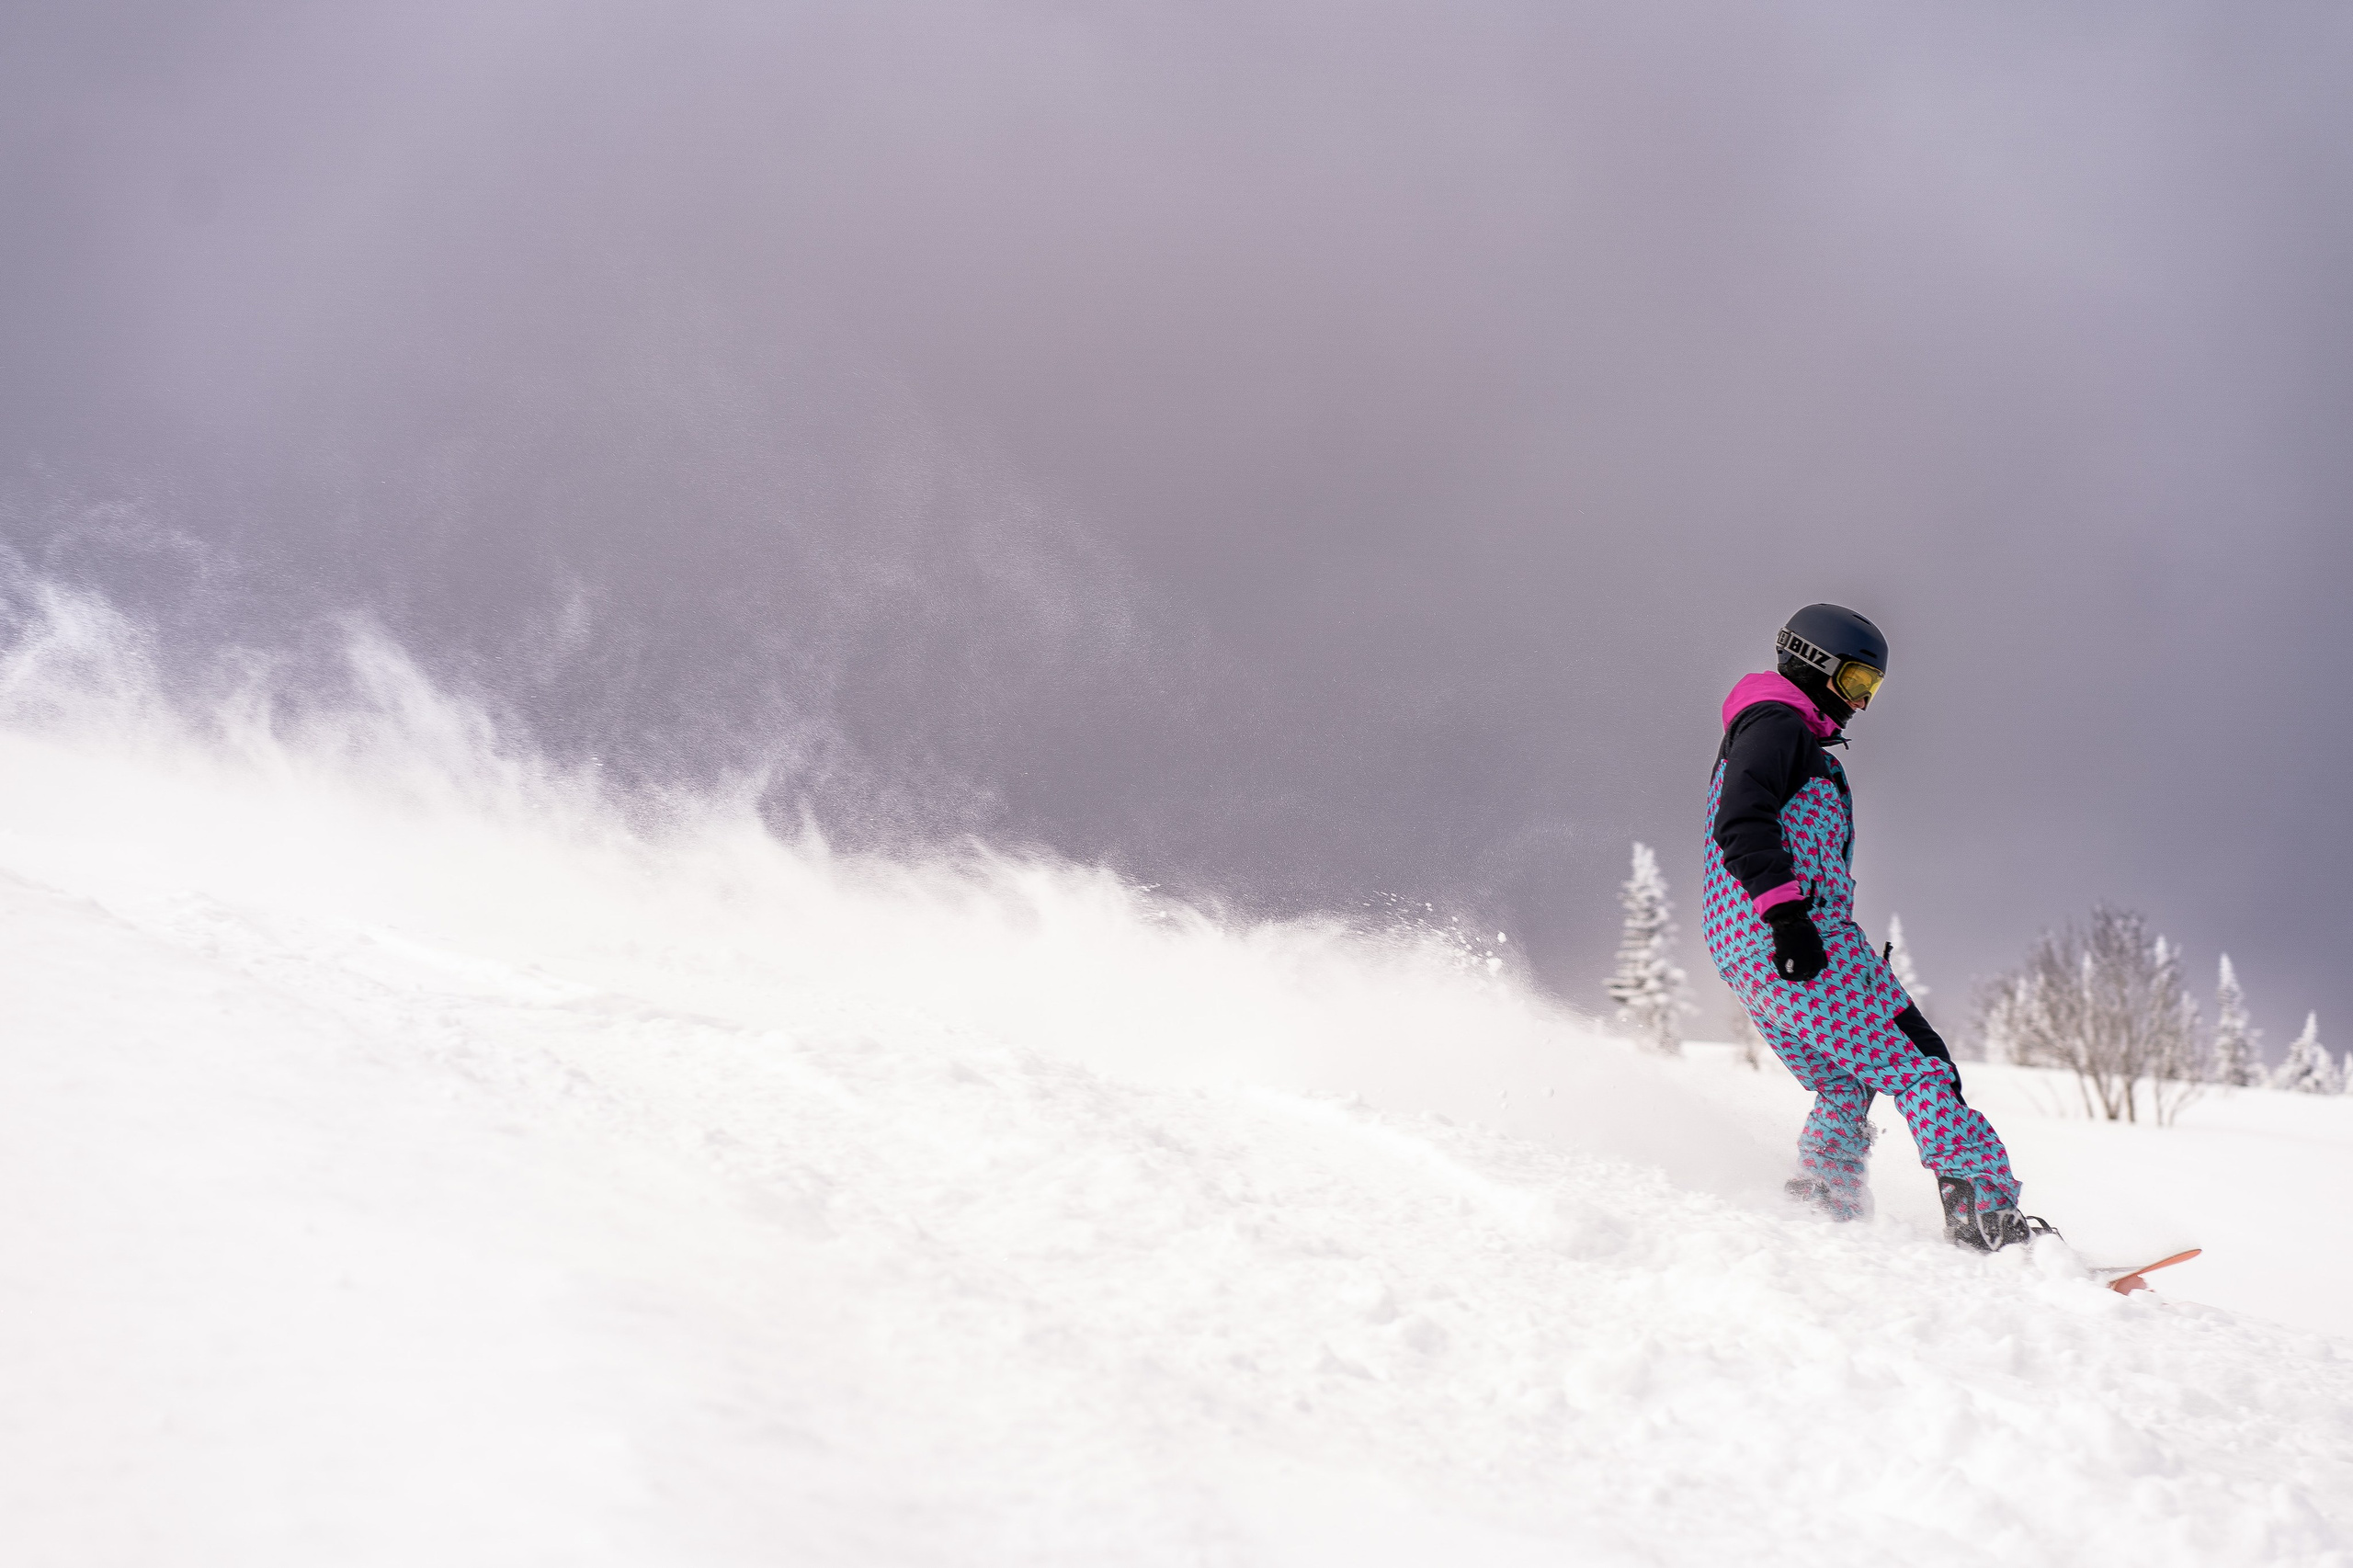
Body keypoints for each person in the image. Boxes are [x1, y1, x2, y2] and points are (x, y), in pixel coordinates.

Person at [1700, 604, 2045, 1252]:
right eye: (1858, 682)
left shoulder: (1773, 730)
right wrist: (1788, 917)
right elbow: (1741, 820)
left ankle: (1825, 1199)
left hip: (1743, 945)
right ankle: (1987, 1219)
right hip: (1789, 936)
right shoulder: (1777, 726)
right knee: (1920, 1065)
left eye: (1873, 689)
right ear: (1818, 664)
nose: (1862, 702)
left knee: (1843, 1078)